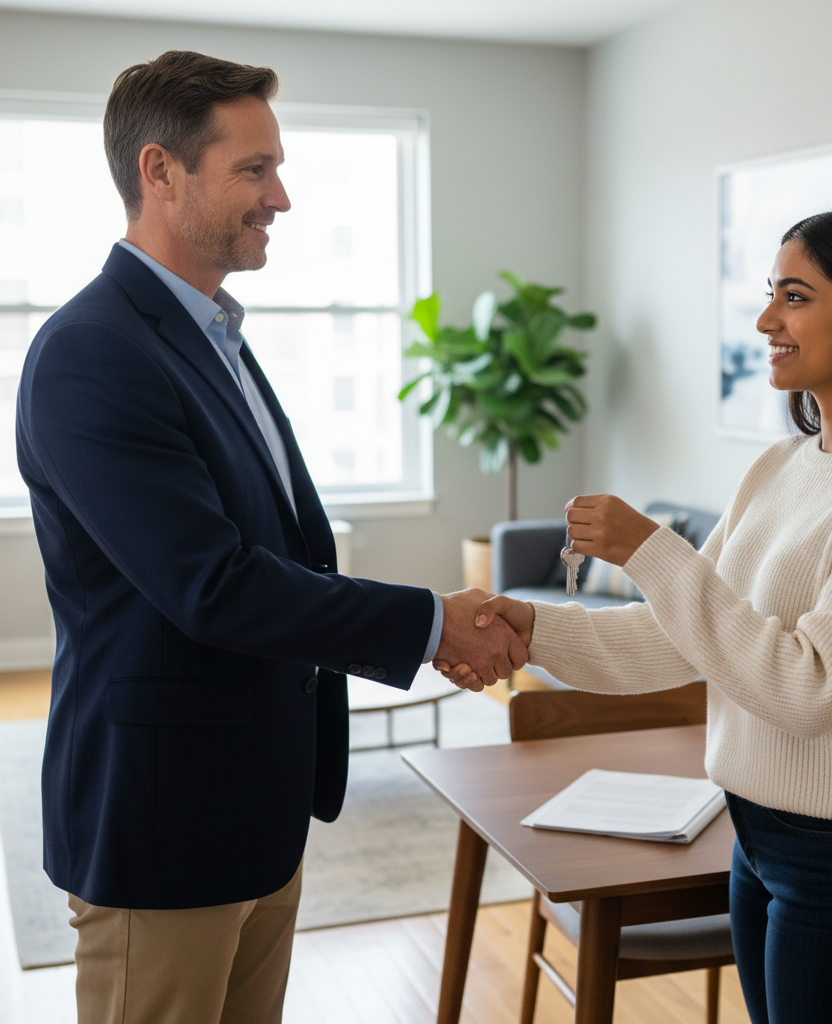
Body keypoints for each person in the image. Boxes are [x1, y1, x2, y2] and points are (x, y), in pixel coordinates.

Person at [16, 50, 526, 1024]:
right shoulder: (92, 352)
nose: (281, 196)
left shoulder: (213, 333)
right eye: (253, 170)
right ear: (160, 172)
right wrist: (430, 623)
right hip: (160, 821)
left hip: (253, 807)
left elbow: (283, 550)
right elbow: (212, 582)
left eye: (276, 167)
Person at [441, 206, 832, 1022]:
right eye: (771, 294)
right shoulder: (779, 466)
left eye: (797, 298)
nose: (768, 320)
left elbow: (811, 689)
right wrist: (531, 630)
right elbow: (688, 637)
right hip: (759, 839)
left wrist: (650, 549)